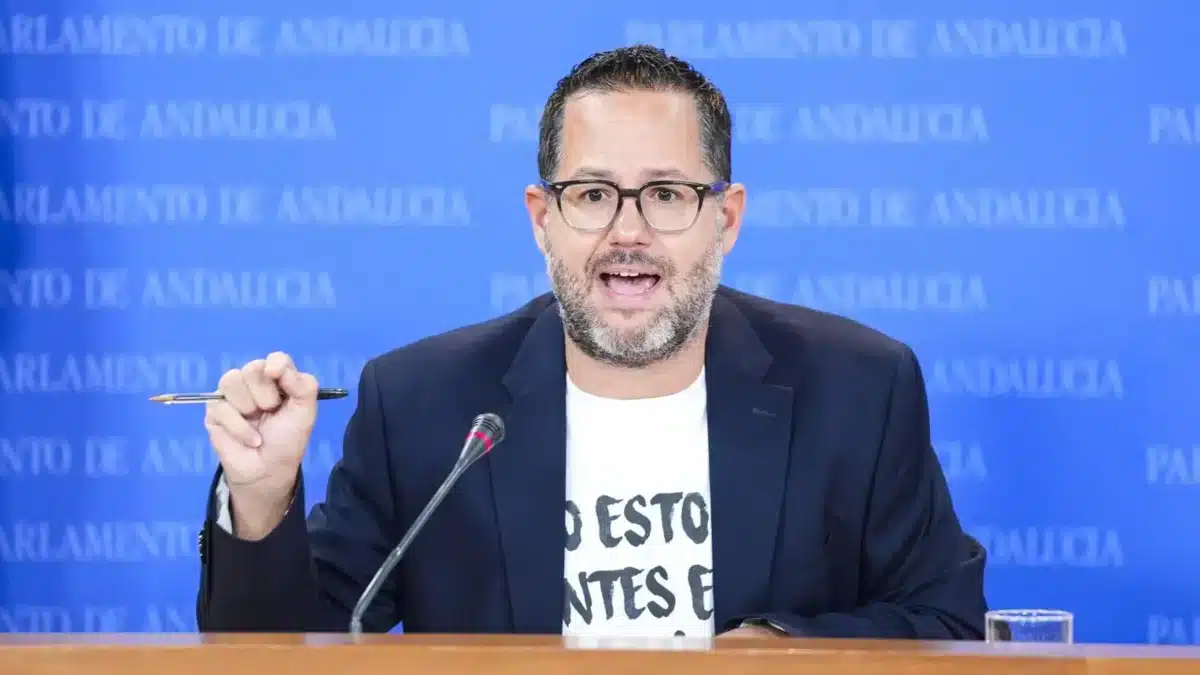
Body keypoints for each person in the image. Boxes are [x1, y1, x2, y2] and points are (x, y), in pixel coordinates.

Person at [197, 45, 987, 640]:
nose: (629, 231)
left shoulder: (857, 389)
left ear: (728, 218)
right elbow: (285, 651)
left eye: (669, 194)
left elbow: (947, 622)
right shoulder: (423, 407)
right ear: (543, 218)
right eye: (594, 194)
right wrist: (261, 504)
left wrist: (784, 650)